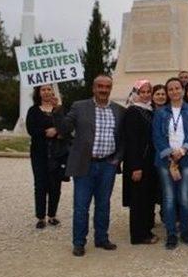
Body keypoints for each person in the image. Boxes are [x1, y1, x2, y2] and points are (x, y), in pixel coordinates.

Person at [58, 75, 125, 257]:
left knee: (103, 204)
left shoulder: (119, 110)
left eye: (107, 86)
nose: (103, 90)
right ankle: (79, 242)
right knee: (81, 206)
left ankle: (102, 238)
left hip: (108, 165)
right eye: (100, 86)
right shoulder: (79, 106)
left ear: (110, 89)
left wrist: (117, 159)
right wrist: (58, 109)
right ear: (93, 88)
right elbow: (64, 129)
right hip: (85, 165)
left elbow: (123, 139)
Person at [152, 77, 188, 249]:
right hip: (166, 159)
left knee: (185, 197)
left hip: (187, 159)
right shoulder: (160, 112)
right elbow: (157, 136)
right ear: (167, 92)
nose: (174, 92)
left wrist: (183, 150)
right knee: (169, 198)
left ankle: (186, 231)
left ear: (182, 90)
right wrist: (170, 153)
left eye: (177, 88)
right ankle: (171, 233)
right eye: (170, 89)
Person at [122, 80, 159, 245]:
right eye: (142, 92)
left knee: (147, 197)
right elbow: (131, 141)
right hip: (138, 162)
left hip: (150, 161)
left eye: (148, 92)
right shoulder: (133, 111)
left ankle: (146, 230)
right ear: (136, 93)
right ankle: (138, 235)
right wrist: (136, 166)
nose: (145, 95)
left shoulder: (150, 110)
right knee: (138, 199)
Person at [26, 84, 65, 229]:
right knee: (40, 184)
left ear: (53, 92)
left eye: (49, 89)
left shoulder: (59, 110)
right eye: (43, 89)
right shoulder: (33, 111)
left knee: (55, 185)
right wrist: (45, 132)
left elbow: (66, 127)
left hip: (57, 153)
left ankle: (52, 215)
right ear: (38, 92)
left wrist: (58, 130)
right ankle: (40, 217)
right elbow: (31, 129)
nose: (47, 92)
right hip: (39, 153)